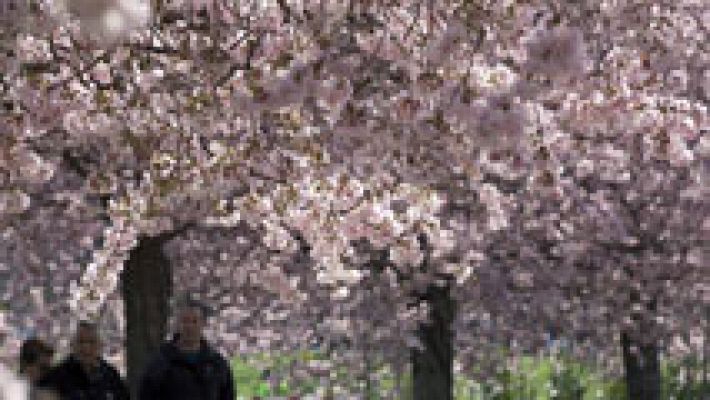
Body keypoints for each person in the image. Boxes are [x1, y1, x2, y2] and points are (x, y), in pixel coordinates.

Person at [138, 296, 234, 400]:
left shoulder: (217, 363)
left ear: (203, 324)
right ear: (178, 324)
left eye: (194, 321)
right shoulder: (160, 362)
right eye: (185, 321)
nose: (189, 326)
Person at [38, 321, 129, 400]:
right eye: (81, 342)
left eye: (91, 342)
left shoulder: (111, 375)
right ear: (72, 345)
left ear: (100, 345)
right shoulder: (56, 377)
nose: (86, 348)